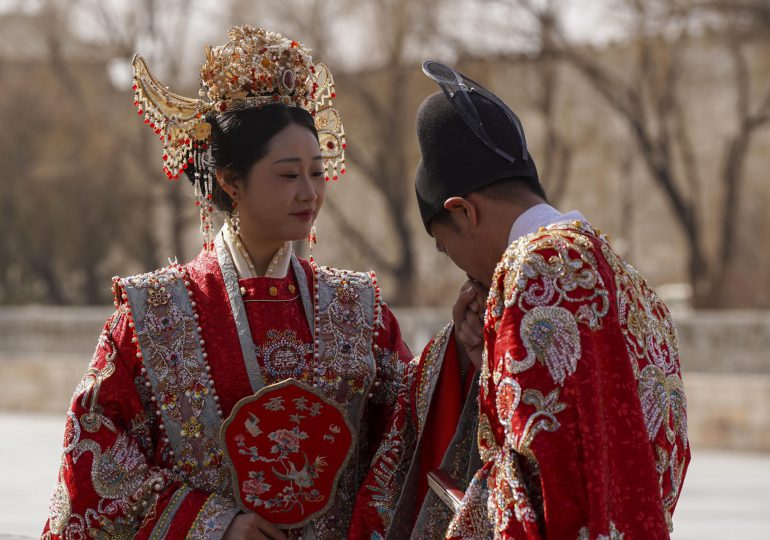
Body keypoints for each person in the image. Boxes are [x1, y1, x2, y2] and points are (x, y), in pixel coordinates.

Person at [42, 27, 412, 540]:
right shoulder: (153, 316)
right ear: (230, 182)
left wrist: (460, 351)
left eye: (317, 172)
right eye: (288, 175)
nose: (310, 193)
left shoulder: (357, 309)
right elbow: (95, 455)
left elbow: (410, 429)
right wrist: (211, 523)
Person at [351, 62, 689, 539]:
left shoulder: (530, 266)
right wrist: (485, 361)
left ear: (462, 211)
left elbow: (530, 487)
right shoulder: (634, 285)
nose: (466, 275)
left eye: (447, 249)